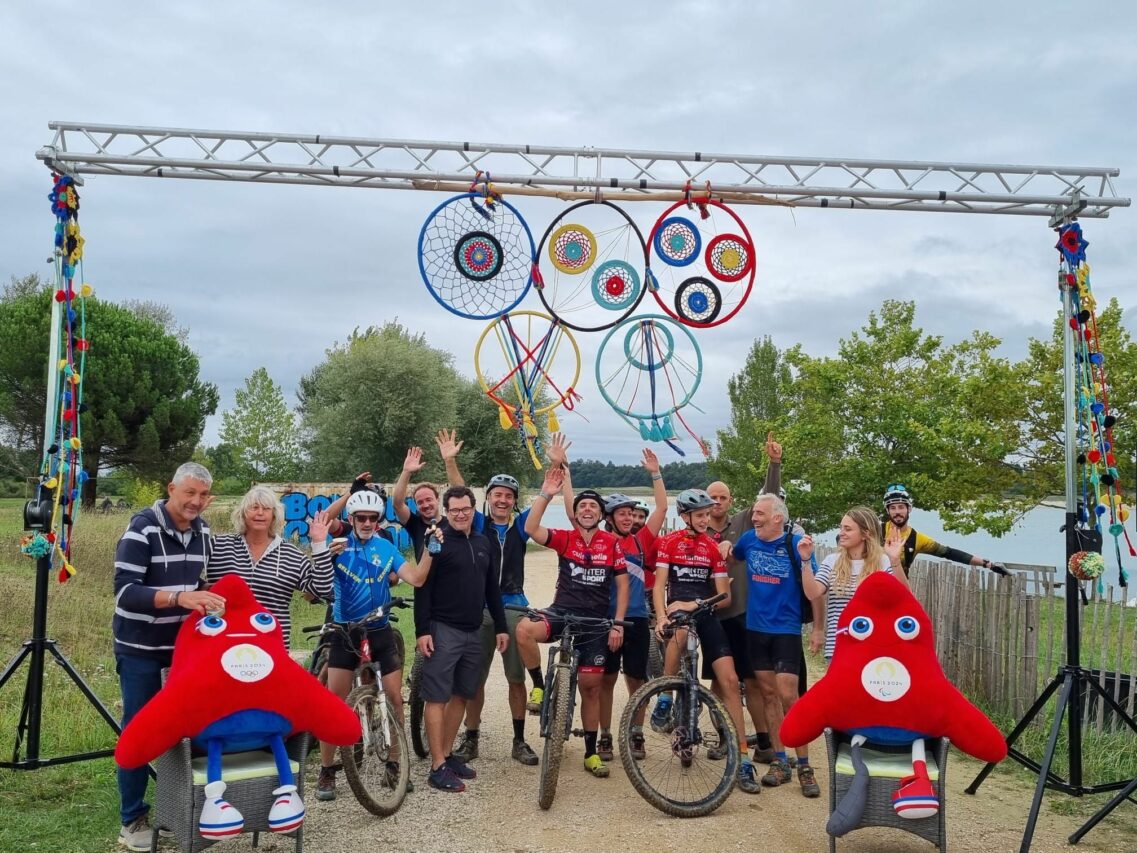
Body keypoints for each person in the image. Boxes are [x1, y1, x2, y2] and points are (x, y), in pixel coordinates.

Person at [112, 462, 227, 852]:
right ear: (171, 489)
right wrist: (179, 598)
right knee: (140, 728)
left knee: (188, 729)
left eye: (203, 495)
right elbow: (125, 592)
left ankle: (186, 809)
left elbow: (199, 582)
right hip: (140, 649)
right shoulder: (142, 527)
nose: (196, 502)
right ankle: (132, 818)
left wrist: (210, 599)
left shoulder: (205, 531)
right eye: (189, 493)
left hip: (184, 650)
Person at [315, 489, 431, 802]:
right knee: (333, 703)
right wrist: (325, 555)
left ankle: (395, 763)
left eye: (372, 518)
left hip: (379, 630)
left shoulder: (386, 546)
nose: (367, 522)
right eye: (360, 517)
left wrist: (431, 550)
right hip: (346, 633)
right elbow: (318, 571)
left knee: (395, 698)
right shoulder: (338, 545)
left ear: (378, 520)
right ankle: (327, 769)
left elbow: (417, 579)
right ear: (351, 519)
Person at [518, 465, 630, 778]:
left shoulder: (611, 544)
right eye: (582, 506)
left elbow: (622, 585)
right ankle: (539, 686)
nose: (587, 509)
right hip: (561, 613)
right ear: (576, 513)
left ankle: (591, 753)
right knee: (524, 630)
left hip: (594, 622)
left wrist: (618, 623)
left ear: (600, 514)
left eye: (593, 506)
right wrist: (546, 493)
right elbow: (530, 528)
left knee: (591, 687)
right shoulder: (566, 539)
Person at [652, 489, 763, 794]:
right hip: (676, 615)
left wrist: (693, 604)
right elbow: (660, 585)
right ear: (685, 516)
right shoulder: (668, 543)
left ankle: (742, 759)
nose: (705, 519)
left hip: (705, 611)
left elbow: (724, 595)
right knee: (681, 632)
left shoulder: (713, 548)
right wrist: (662, 616)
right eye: (700, 515)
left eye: (706, 514)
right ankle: (664, 696)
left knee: (728, 679)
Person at [414, 486, 509, 792]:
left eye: (465, 509)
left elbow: (491, 590)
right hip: (443, 630)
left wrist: (502, 627)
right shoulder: (437, 541)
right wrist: (422, 631)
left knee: (461, 694)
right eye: (453, 510)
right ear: (446, 511)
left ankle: (447, 753)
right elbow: (422, 588)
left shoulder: (483, 542)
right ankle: (437, 765)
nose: (459, 514)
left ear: (472, 509)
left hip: (474, 631)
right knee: (437, 696)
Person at [731, 492, 824, 798]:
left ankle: (805, 765)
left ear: (777, 518)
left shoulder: (796, 547)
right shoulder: (748, 540)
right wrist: (724, 547)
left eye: (759, 514)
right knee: (768, 694)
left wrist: (818, 630)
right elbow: (735, 555)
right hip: (755, 629)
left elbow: (816, 591)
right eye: (754, 513)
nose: (753, 518)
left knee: (790, 696)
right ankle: (780, 761)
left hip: (785, 629)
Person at [450, 464, 540, 767]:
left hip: (513, 605)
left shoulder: (521, 527)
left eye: (509, 496)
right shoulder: (477, 524)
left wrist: (556, 466)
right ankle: (471, 738)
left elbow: (545, 497)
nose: (503, 500)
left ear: (515, 501)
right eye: (497, 494)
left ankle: (519, 740)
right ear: (488, 498)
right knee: (474, 680)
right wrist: (450, 461)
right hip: (480, 608)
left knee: (516, 678)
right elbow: (459, 494)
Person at [588, 450, 668, 763]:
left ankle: (636, 732)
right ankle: (605, 734)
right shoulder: (598, 540)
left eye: (630, 513)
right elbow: (574, 514)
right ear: (609, 518)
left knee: (637, 679)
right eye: (620, 513)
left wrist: (655, 473)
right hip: (605, 619)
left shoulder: (641, 541)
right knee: (605, 679)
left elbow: (662, 507)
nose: (627, 517)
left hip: (635, 618)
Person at [206, 484, 334, 645]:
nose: (260, 513)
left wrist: (319, 544)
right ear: (243, 513)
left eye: (266, 508)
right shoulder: (217, 545)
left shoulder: (291, 555)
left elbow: (321, 589)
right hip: (221, 641)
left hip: (271, 646)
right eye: (254, 507)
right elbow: (186, 570)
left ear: (274, 515)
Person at [801, 507, 907, 660]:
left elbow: (904, 596)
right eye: (841, 528)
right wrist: (805, 560)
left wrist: (895, 560)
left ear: (865, 533)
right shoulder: (832, 561)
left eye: (848, 529)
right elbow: (813, 593)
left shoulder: (883, 562)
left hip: (874, 649)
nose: (841, 533)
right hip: (838, 648)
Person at [881, 484, 1007, 577]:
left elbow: (948, 552)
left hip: (899, 593)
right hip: (869, 592)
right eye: (892, 508)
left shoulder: (917, 539)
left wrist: (987, 564)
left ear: (909, 509)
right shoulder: (875, 531)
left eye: (901, 507)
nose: (897, 512)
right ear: (888, 511)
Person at [393, 429, 465, 560]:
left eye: (428, 499)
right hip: (425, 580)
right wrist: (406, 472)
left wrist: (449, 461)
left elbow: (461, 495)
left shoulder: (452, 522)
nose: (425, 505)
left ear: (437, 499)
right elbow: (397, 504)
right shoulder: (414, 524)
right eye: (420, 502)